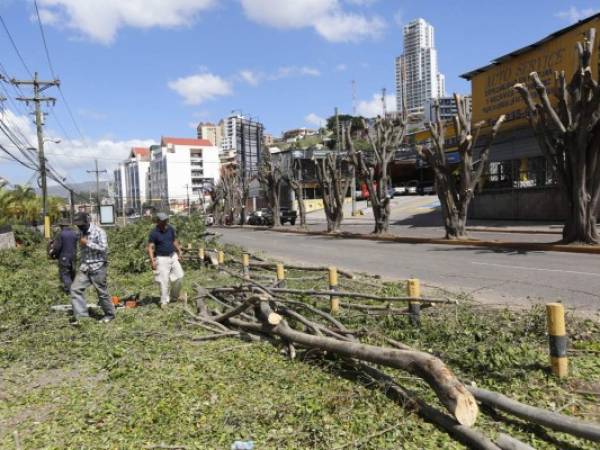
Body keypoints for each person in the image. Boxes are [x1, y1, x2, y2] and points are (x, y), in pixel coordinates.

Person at [70, 212, 115, 324]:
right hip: (85, 266)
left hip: (98, 266)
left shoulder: (99, 232)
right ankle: (82, 318)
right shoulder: (80, 232)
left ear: (87, 221)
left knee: (101, 292)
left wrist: (88, 243)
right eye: (78, 225)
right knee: (75, 289)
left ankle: (109, 315)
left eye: (82, 224)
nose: (80, 227)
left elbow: (104, 248)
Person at [147, 212, 184, 308]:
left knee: (180, 276)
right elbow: (150, 247)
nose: (165, 222)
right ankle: (164, 302)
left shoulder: (170, 229)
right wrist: (152, 261)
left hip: (173, 256)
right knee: (164, 281)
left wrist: (179, 250)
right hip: (161, 259)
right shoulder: (154, 233)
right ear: (158, 221)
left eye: (166, 220)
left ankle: (174, 296)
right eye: (163, 221)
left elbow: (174, 241)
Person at [52, 219, 79, 295]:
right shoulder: (74, 233)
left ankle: (70, 291)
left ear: (61, 226)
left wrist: (54, 254)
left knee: (65, 274)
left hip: (64, 257)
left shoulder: (61, 234)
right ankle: (76, 289)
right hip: (73, 256)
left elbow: (57, 247)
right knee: (72, 273)